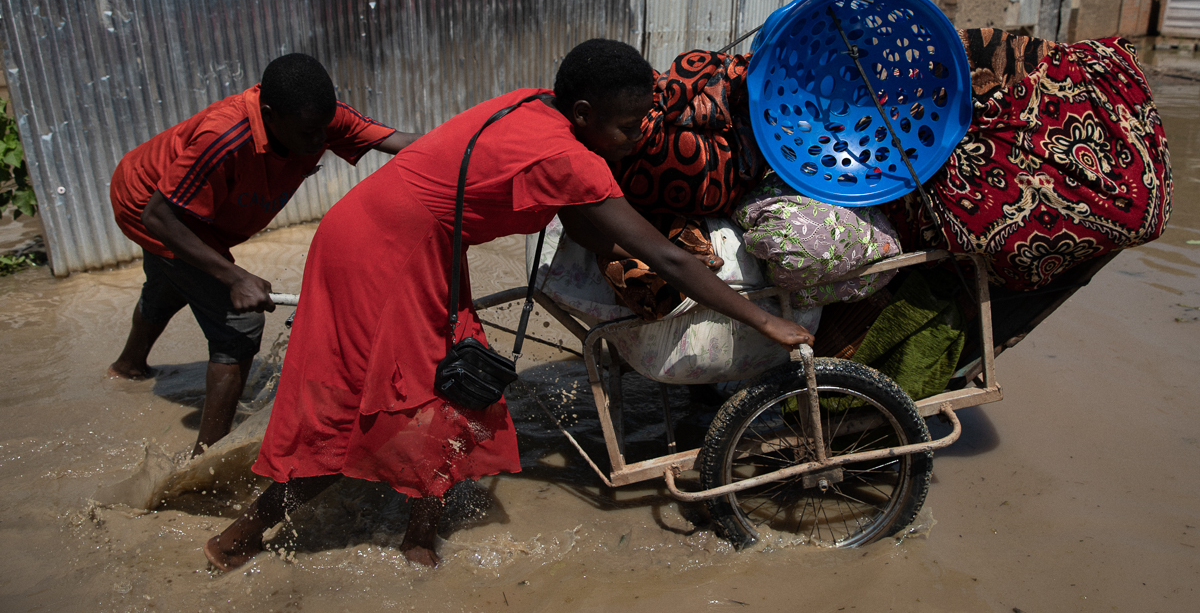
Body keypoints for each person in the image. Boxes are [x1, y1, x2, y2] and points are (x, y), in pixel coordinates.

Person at [203, 39, 814, 572]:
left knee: (456, 387)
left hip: (393, 233)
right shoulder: (571, 159)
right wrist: (766, 319)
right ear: (583, 113)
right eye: (628, 127)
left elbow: (587, 225)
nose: (638, 138)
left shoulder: (533, 104)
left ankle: (418, 534)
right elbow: (668, 259)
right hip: (385, 253)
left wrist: (636, 254)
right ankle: (240, 538)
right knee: (364, 406)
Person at [107, 53, 418, 458]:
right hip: (150, 205)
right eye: (309, 133)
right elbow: (159, 217)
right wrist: (235, 278)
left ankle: (127, 368)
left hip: (193, 210)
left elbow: (402, 144)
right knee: (239, 325)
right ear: (270, 115)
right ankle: (205, 462)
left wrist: (470, 144)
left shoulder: (317, 119)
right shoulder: (225, 137)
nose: (320, 141)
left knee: (172, 283)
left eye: (324, 129)